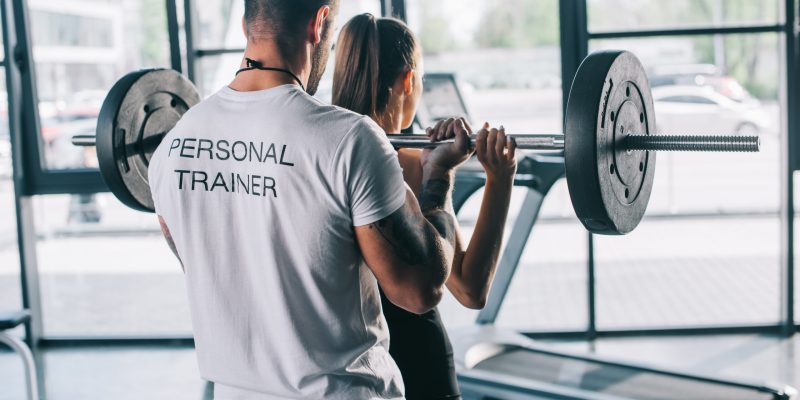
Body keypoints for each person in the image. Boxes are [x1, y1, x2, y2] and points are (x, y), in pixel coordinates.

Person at [148, 1, 475, 399]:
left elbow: (207, 266)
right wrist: (439, 176)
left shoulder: (173, 148)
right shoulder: (348, 139)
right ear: (319, 23)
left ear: (245, 25)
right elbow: (419, 290)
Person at [332, 14, 518, 400]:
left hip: (347, 372)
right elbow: (470, 288)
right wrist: (499, 178)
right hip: (421, 366)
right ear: (408, 81)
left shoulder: (321, 155)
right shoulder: (415, 165)